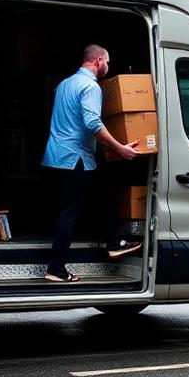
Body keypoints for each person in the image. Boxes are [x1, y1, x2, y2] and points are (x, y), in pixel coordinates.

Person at [42, 45, 140, 283]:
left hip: (57, 157)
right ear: (98, 60)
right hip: (75, 159)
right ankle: (56, 268)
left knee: (96, 196)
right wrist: (120, 148)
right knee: (71, 212)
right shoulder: (91, 86)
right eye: (108, 61)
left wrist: (107, 148)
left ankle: (113, 241)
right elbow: (92, 124)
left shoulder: (65, 84)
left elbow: (74, 124)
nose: (109, 66)